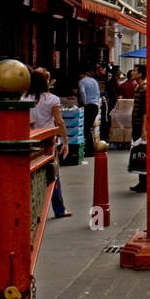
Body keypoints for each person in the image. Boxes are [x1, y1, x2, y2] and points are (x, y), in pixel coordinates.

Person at [26, 70, 71, 218]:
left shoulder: (24, 98)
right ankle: (59, 209)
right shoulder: (52, 99)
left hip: (31, 140)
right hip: (49, 141)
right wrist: (65, 141)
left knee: (32, 174)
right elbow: (59, 122)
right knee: (53, 174)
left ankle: (33, 209)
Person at [129, 67, 148, 193]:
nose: (132, 72)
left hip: (141, 125)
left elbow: (145, 111)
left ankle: (144, 182)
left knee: (142, 153)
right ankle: (141, 181)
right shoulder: (137, 87)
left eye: (135, 70)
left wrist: (144, 129)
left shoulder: (144, 89)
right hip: (136, 124)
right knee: (138, 152)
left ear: (141, 74)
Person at [78, 67, 100, 157]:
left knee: (86, 128)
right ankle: (90, 148)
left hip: (88, 106)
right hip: (95, 105)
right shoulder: (94, 81)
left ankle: (89, 150)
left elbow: (82, 93)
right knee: (89, 127)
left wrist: (84, 103)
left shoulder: (81, 82)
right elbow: (98, 93)